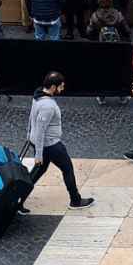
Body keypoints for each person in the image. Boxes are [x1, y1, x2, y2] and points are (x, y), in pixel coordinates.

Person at [25, 71, 94, 210]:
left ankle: (17, 199)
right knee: (67, 168)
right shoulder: (47, 106)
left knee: (38, 172)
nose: (62, 89)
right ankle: (75, 200)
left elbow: (31, 118)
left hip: (41, 144)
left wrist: (29, 136)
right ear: (52, 87)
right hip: (50, 145)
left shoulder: (37, 95)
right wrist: (38, 154)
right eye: (60, 87)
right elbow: (40, 129)